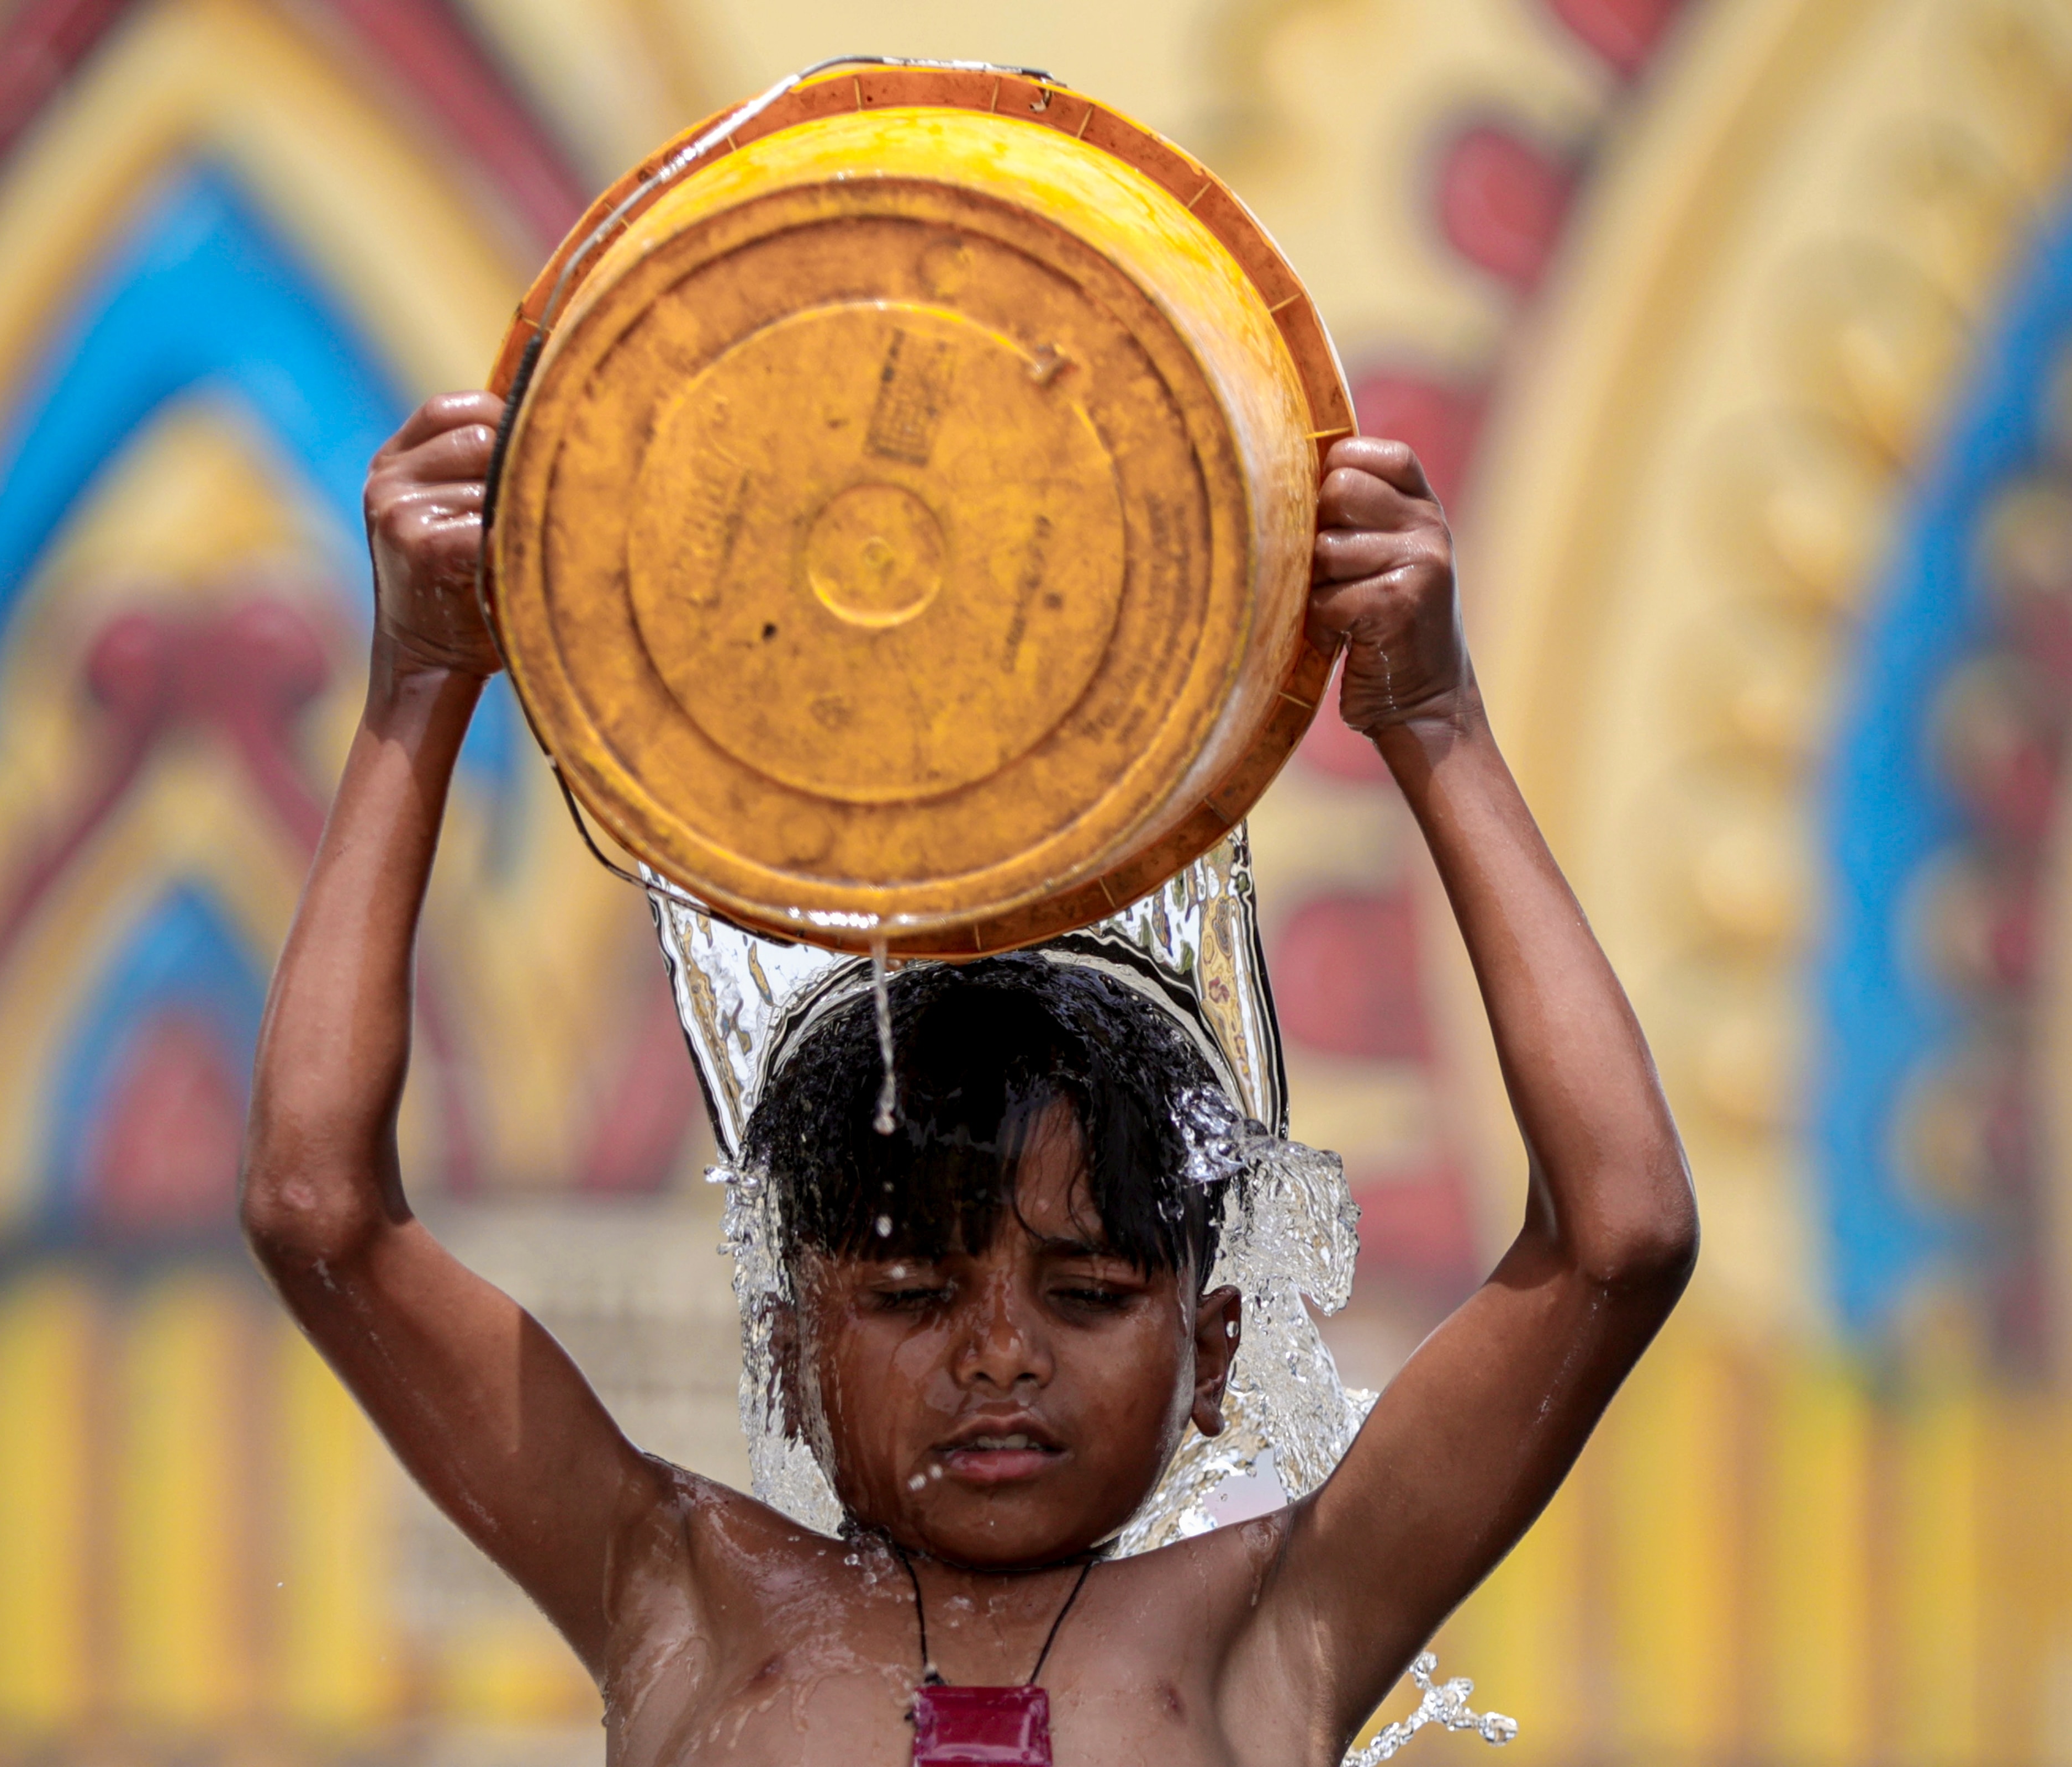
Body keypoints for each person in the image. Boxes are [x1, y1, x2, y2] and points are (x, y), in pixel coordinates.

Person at [242, 389, 1697, 1765]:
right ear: (789, 1354)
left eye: (1087, 1293)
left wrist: (1431, 717)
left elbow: (1618, 1238)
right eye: (910, 1295)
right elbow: (318, 1212)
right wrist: (425, 677)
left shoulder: (1281, 1621)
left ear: (1212, 1352)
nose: (1001, 1355)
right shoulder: (679, 1596)